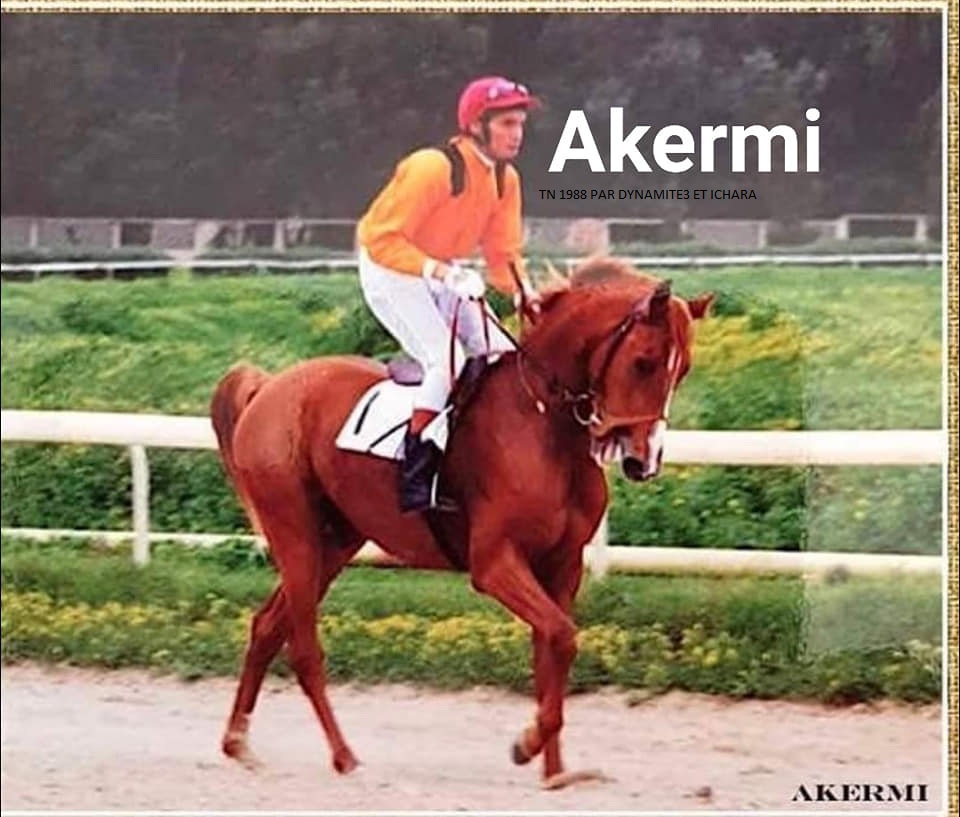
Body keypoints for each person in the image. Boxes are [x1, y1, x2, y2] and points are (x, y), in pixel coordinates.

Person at [356, 75, 542, 512]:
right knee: (448, 360)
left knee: (503, 355)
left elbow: (503, 252)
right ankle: (415, 474)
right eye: (507, 124)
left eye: (520, 124)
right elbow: (383, 240)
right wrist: (441, 272)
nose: (517, 134)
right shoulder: (431, 167)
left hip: (442, 269)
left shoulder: (505, 179)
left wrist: (525, 293)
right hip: (389, 269)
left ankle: (475, 451)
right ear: (477, 125)